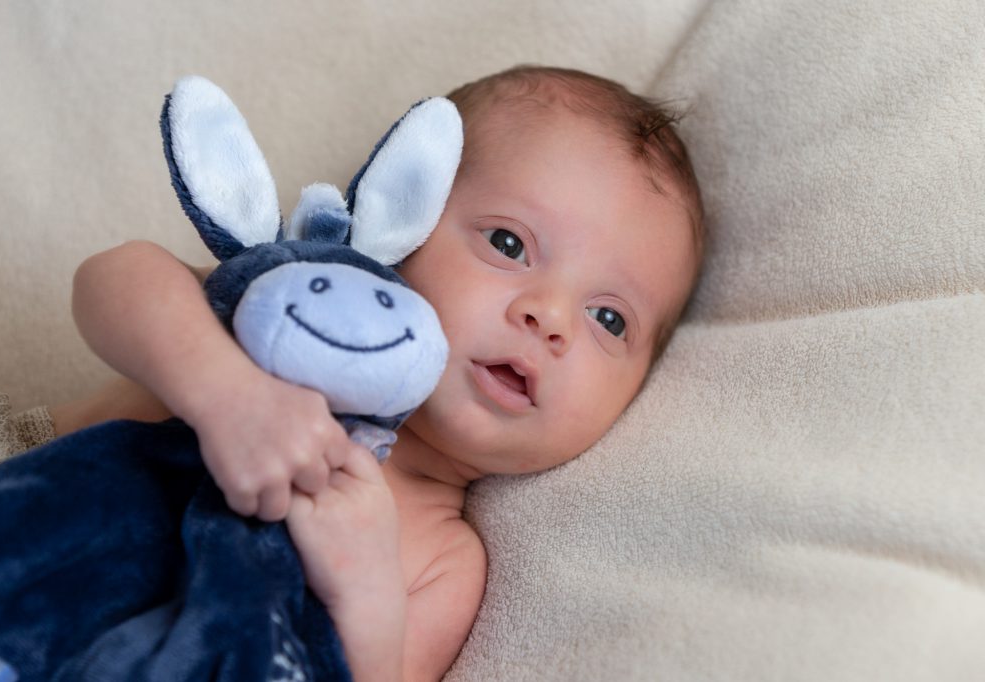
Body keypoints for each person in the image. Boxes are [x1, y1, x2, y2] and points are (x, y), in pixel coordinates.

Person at [48, 65, 705, 681]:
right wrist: (225, 392)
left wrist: (363, 587)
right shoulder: (283, 324)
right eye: (509, 244)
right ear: (406, 220)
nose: (550, 316)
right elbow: (111, 281)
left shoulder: (445, 563)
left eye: (609, 319)